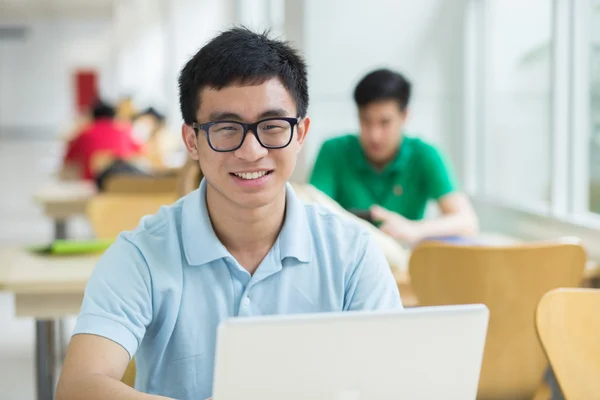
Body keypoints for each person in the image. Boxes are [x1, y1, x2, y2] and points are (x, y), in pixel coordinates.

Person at [56, 28, 402, 400]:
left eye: (272, 127)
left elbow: (394, 384)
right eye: (226, 129)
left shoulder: (352, 252)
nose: (251, 151)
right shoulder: (141, 254)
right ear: (192, 141)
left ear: (301, 133)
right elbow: (78, 387)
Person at [310, 68, 478, 245]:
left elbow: (467, 222)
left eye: (385, 123)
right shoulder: (333, 151)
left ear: (404, 116)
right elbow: (312, 212)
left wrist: (413, 229)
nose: (374, 135)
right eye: (366, 121)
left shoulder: (425, 155)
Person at [61, 100, 144, 181]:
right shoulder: (124, 132)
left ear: (92, 117)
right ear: (114, 116)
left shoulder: (84, 133)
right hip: (123, 181)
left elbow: (68, 161)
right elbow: (141, 152)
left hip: (92, 183)